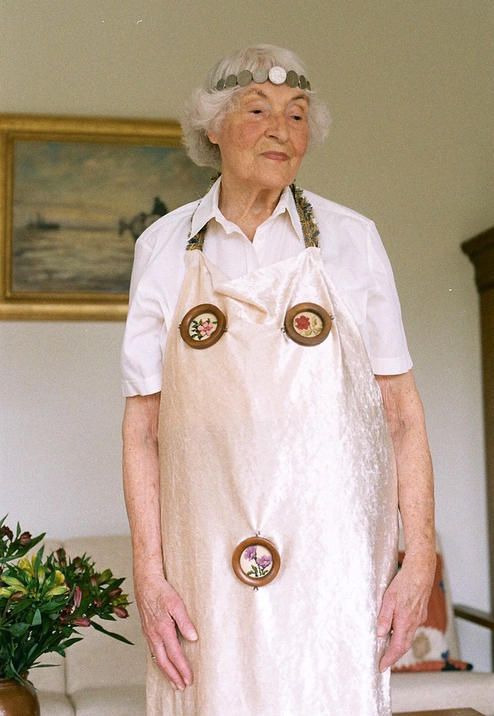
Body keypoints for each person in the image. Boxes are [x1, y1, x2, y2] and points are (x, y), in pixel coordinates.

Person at [121, 44, 435, 716]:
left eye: (296, 115)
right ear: (212, 127)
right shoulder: (162, 248)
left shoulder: (353, 239)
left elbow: (402, 412)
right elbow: (143, 427)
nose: (281, 130)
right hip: (207, 555)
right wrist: (149, 575)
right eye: (257, 110)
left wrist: (418, 563)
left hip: (333, 551)